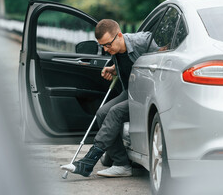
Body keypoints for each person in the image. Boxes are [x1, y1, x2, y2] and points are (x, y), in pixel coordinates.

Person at [60, 19, 157, 177]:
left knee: (115, 112)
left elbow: (164, 56)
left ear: (119, 35)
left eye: (108, 44)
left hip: (146, 95)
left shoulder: (143, 42)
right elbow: (125, 61)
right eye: (102, 46)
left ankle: (87, 162)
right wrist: (113, 68)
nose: (106, 50)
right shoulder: (116, 48)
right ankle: (122, 164)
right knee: (102, 113)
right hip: (131, 91)